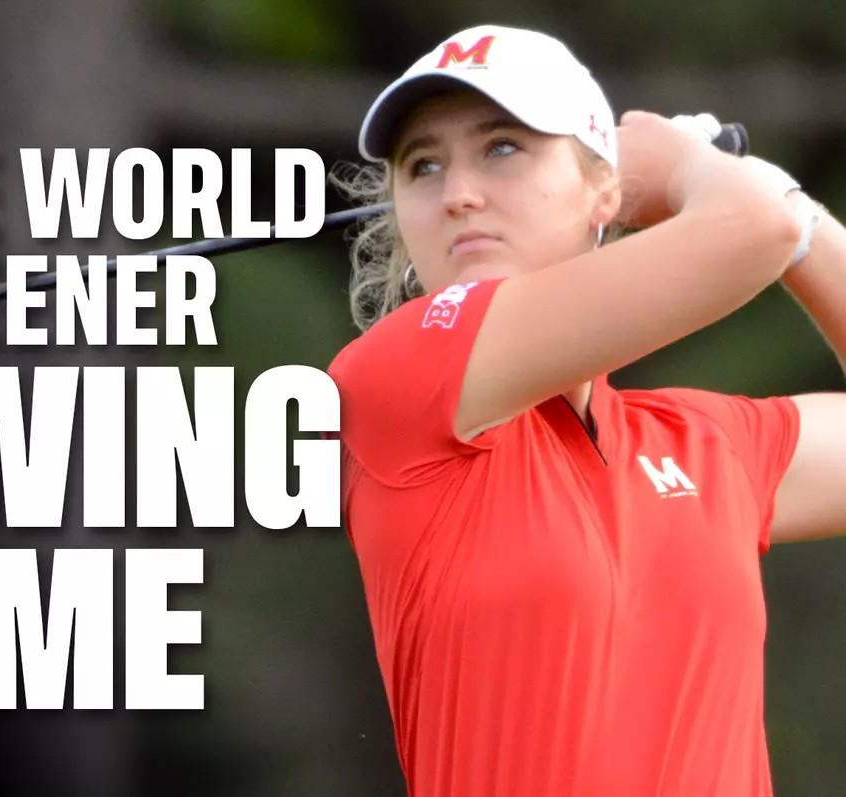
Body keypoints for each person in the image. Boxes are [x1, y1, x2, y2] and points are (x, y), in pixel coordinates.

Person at [324, 24, 845, 797]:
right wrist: (698, 170)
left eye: (502, 147)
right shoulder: (396, 378)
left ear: (608, 191)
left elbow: (764, 223)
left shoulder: (704, 444)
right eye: (423, 166)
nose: (459, 192)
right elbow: (753, 228)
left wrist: (787, 202)